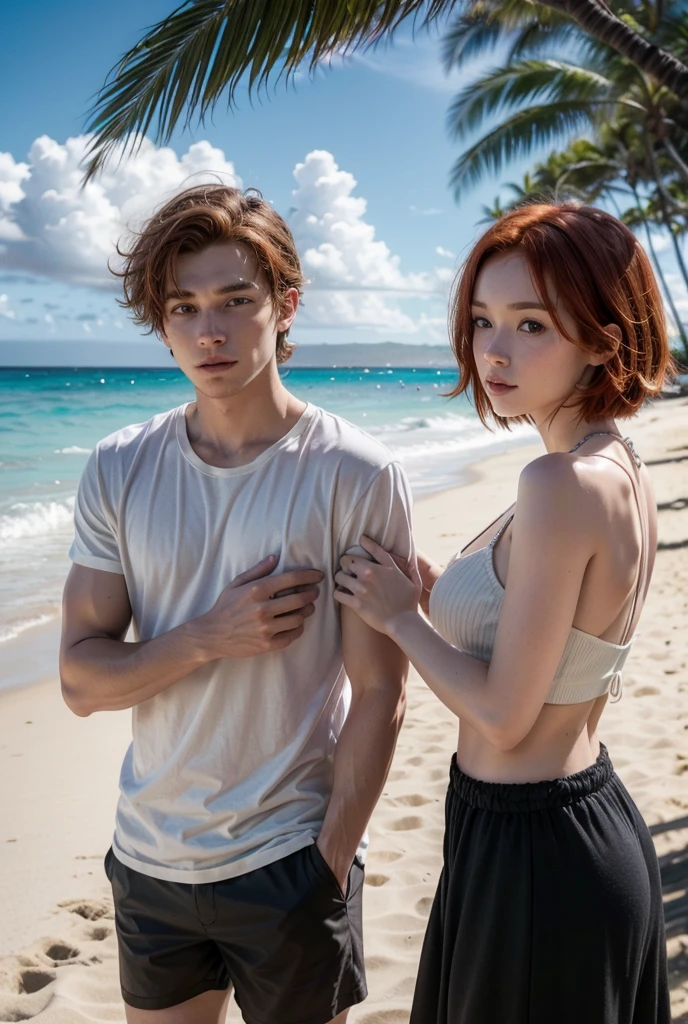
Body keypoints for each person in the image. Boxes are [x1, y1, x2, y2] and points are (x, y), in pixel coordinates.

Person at [59, 184, 414, 1024]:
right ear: (162, 321)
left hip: (289, 860)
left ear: (284, 305)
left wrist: (329, 862)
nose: (208, 330)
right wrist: (206, 637)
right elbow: (80, 680)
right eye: (182, 307)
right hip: (149, 859)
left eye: (234, 301)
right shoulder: (117, 466)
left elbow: (381, 691)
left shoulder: (355, 473)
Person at [333, 203, 673, 1024]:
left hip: (534, 851)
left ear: (601, 336)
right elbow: (559, 641)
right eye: (484, 320)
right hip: (564, 825)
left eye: (531, 324)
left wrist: (399, 620)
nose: (494, 349)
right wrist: (434, 590)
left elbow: (504, 714)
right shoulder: (615, 468)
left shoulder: (558, 485)